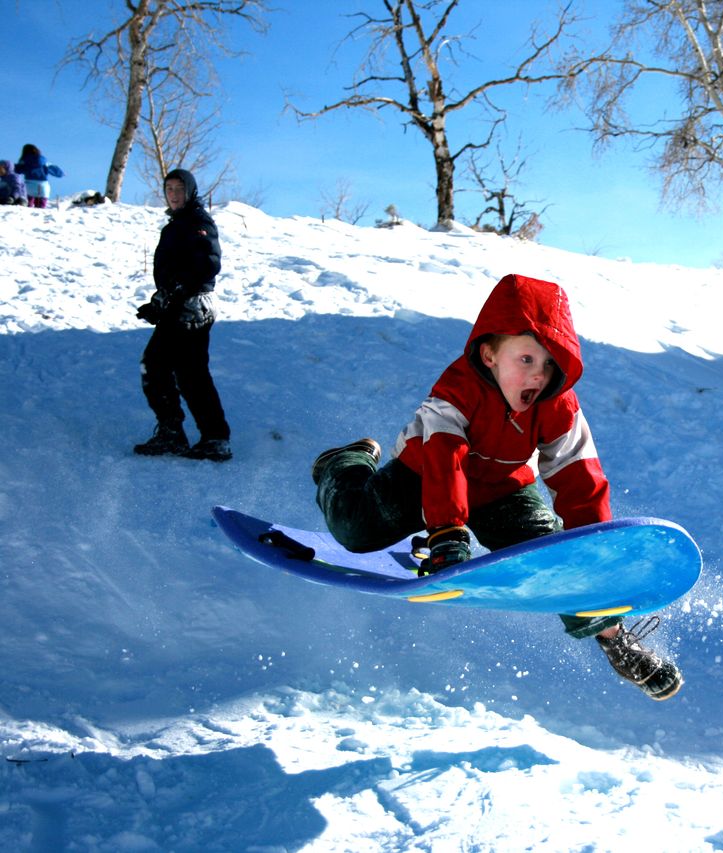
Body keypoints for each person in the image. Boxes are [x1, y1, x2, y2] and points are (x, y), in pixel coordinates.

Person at [311, 273, 684, 700]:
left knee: (555, 559)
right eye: (526, 359)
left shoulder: (557, 405)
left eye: (548, 365)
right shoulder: (457, 390)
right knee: (355, 531)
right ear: (489, 355)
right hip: (425, 474)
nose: (539, 376)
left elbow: (578, 473)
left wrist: (590, 554)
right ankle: (344, 462)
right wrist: (448, 532)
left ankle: (615, 639)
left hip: (503, 490)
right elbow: (445, 457)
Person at [133, 168, 232, 462]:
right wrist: (160, 302)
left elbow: (207, 264)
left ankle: (213, 438)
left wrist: (173, 291)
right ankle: (173, 433)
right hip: (178, 306)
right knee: (159, 367)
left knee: (186, 373)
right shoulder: (177, 224)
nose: (174, 195)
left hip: (192, 309)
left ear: (190, 191)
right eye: (169, 189)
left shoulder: (197, 222)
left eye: (179, 189)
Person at [14, 144, 62, 208]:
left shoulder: (25, 160)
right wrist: (61, 174)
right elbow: (55, 171)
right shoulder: (44, 161)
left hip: (29, 185)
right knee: (40, 207)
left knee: (28, 206)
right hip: (43, 186)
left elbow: (18, 170)